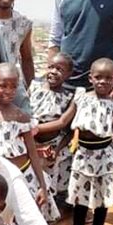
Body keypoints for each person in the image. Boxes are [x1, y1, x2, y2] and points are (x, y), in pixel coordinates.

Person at [61, 58, 113, 225]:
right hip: (82, 155)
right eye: (98, 77)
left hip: (106, 156)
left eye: (108, 78)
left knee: (101, 199)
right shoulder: (81, 97)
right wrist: (56, 147)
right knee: (79, 197)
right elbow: (66, 123)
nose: (103, 82)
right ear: (90, 77)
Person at [0, 63, 57, 223]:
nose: (8, 91)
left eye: (13, 86)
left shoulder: (21, 117)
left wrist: (42, 186)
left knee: (28, 220)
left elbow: (32, 152)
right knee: (5, 221)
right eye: (3, 86)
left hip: (26, 177)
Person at [30, 53, 76, 211]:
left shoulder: (69, 97)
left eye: (60, 69)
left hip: (53, 146)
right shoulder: (34, 87)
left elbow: (64, 125)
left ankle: (53, 214)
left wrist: (57, 149)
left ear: (69, 74)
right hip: (31, 143)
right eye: (51, 67)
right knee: (32, 179)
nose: (54, 71)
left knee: (51, 182)